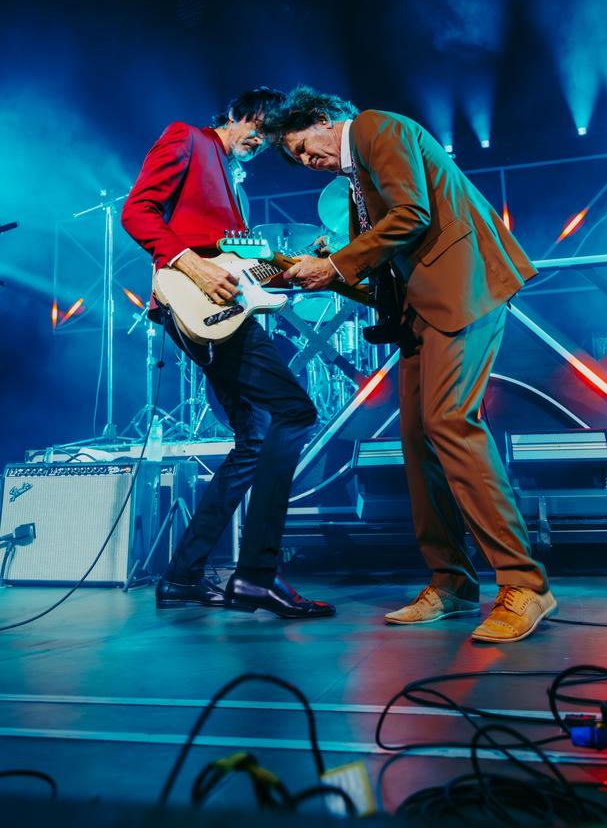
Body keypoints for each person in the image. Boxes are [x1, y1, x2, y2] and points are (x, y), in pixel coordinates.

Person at [261, 86, 556, 643]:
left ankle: (524, 584)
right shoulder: (354, 185)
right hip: (422, 310)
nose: (304, 161)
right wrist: (313, 273)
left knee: (450, 423)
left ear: (324, 121)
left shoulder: (375, 128)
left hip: (464, 289)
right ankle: (451, 582)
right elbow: (385, 265)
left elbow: (412, 214)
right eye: (296, 158)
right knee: (417, 438)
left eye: (302, 147)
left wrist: (337, 265)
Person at [121, 88, 334, 620]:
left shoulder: (235, 182)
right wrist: (192, 266)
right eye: (259, 129)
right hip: (189, 296)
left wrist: (295, 268)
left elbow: (243, 268)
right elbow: (138, 210)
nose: (261, 143)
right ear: (238, 114)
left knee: (254, 439)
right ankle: (257, 576)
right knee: (295, 411)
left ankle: (183, 575)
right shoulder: (187, 138)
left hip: (224, 309)